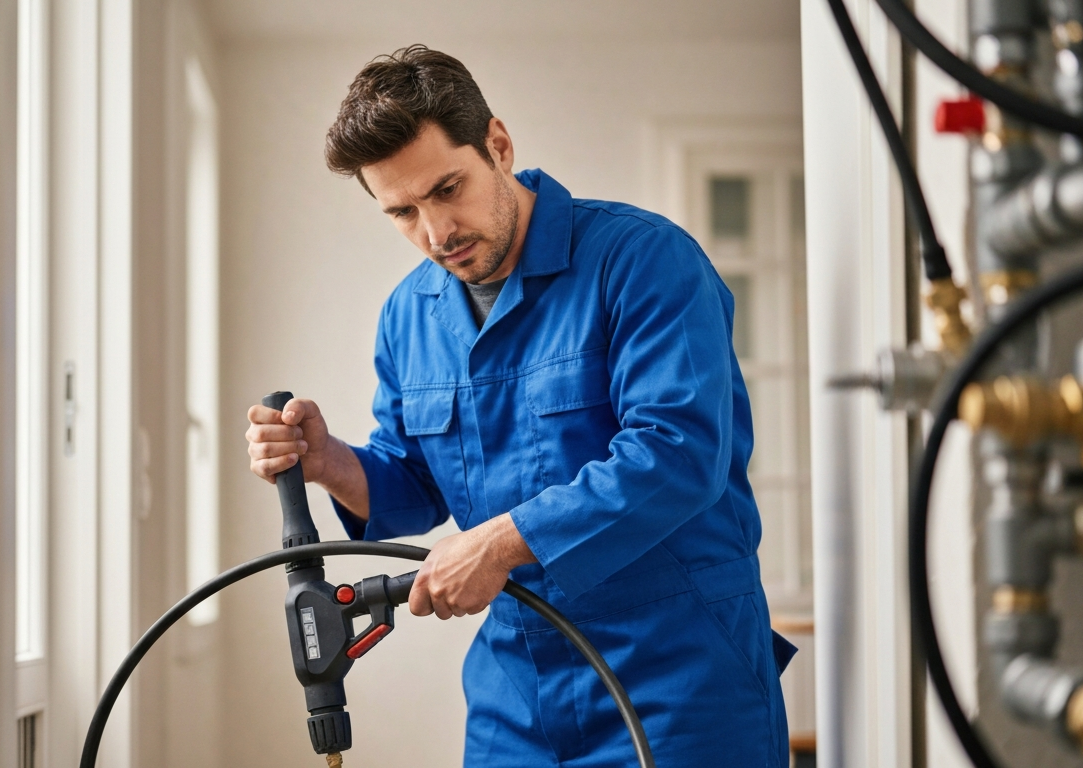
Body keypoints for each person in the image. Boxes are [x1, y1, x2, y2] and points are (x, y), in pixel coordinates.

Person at [246, 45, 793, 767]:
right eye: (403, 211)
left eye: (447, 189)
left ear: (498, 145)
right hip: (518, 691)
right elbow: (416, 481)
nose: (435, 233)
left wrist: (498, 544)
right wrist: (330, 462)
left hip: (680, 678)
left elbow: (677, 453)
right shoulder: (408, 316)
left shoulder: (642, 261)